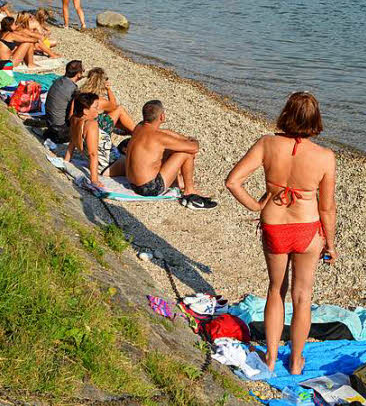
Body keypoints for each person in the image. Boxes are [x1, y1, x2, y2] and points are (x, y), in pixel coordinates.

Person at [225, 91, 337, 375]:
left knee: (276, 290)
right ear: (316, 120)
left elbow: (233, 182)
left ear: (286, 114)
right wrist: (331, 244)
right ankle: (296, 361)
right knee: (303, 295)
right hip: (307, 229)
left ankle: (272, 358)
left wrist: (256, 205)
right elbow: (327, 209)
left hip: (274, 225)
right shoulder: (325, 157)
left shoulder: (267, 144)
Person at [124, 100, 215, 208]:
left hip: (132, 184)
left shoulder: (139, 127)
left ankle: (178, 182)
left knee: (168, 150)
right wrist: (193, 140)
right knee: (185, 153)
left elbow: (164, 132)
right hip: (149, 188)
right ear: (162, 116)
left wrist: (184, 138)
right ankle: (189, 191)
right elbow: (194, 148)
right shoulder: (158, 137)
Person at [65, 92, 127, 187]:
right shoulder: (91, 125)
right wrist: (94, 180)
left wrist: (66, 161)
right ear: (85, 110)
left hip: (104, 163)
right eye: (95, 107)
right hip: (109, 165)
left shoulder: (74, 118)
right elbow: (93, 154)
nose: (98, 110)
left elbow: (72, 142)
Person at [80, 67, 138, 134]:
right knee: (120, 109)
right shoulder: (99, 101)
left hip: (80, 125)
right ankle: (137, 132)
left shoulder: (80, 93)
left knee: (106, 114)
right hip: (94, 129)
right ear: (102, 82)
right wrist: (108, 90)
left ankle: (128, 130)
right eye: (106, 79)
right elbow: (114, 106)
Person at [43, 59, 84, 143]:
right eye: (82, 71)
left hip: (49, 121)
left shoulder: (60, 80)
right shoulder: (72, 89)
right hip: (59, 129)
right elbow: (72, 114)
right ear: (78, 74)